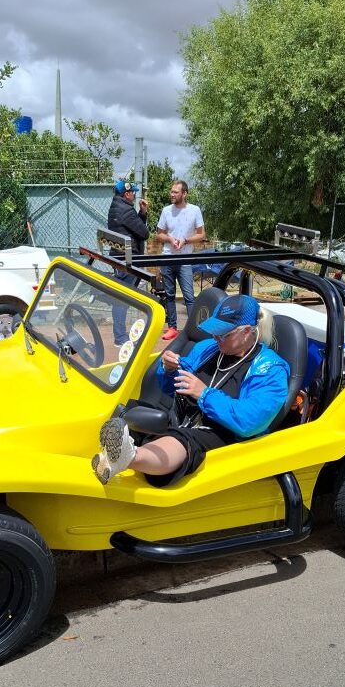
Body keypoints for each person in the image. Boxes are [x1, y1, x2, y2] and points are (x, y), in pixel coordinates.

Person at [91, 294, 289, 487]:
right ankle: (108, 453)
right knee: (136, 411)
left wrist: (204, 394)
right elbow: (173, 388)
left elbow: (249, 421)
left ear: (247, 331)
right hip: (185, 418)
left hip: (226, 435)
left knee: (183, 439)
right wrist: (168, 370)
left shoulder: (270, 370)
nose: (216, 337)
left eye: (224, 334)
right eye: (215, 331)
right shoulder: (209, 348)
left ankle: (131, 457)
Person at [156, 180, 205, 341]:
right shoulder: (166, 211)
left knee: (189, 296)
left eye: (175, 192)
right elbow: (159, 234)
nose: (172, 194)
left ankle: (192, 329)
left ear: (184, 194)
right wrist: (170, 239)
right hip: (167, 257)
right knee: (169, 294)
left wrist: (185, 240)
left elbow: (201, 234)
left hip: (185, 258)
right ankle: (172, 328)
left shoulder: (195, 210)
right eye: (171, 191)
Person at [107, 179, 149, 346]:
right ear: (126, 194)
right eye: (133, 192)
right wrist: (143, 213)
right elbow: (144, 233)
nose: (135, 195)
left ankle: (120, 334)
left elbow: (134, 228)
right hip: (128, 259)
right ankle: (119, 337)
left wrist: (141, 213)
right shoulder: (127, 211)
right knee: (122, 299)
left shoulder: (115, 206)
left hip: (118, 256)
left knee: (121, 297)